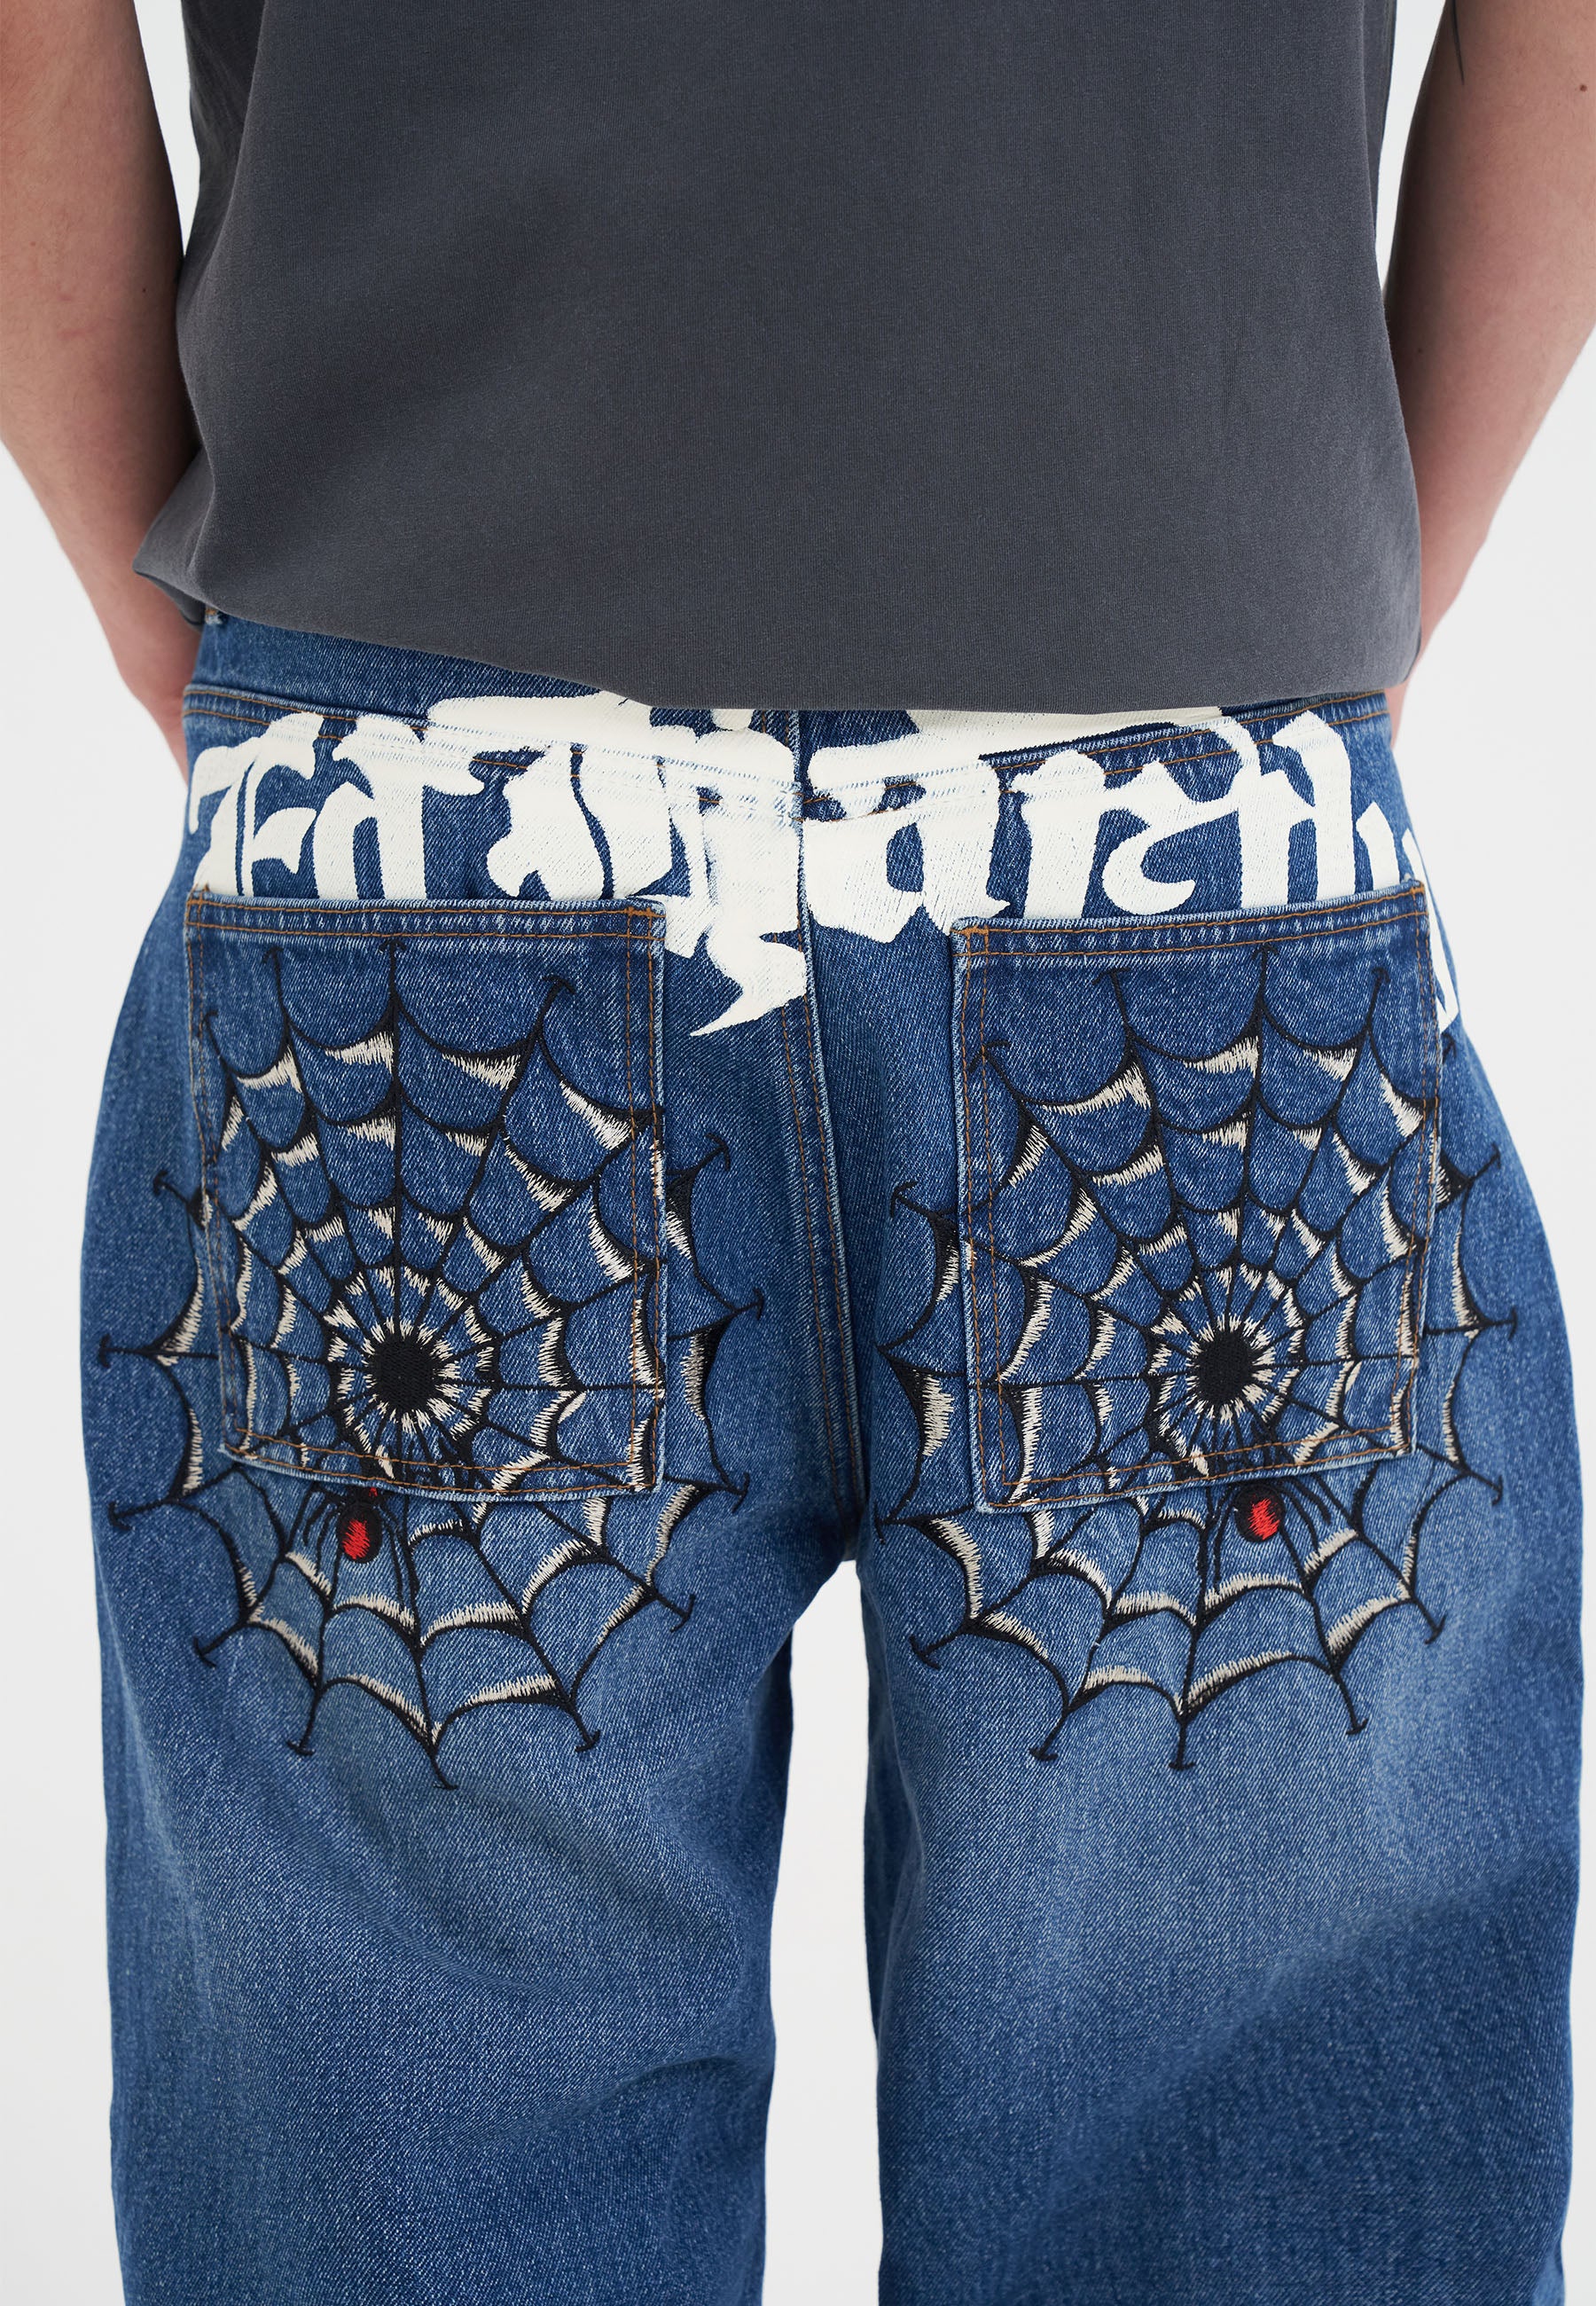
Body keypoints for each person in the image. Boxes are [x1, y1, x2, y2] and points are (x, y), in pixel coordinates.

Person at [3, 2, 1592, 2298]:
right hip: (1197, 776)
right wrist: (1331, 621)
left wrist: (226, 654)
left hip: (407, 787)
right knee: (1254, 2205)